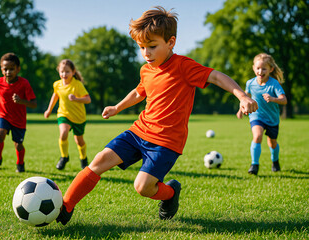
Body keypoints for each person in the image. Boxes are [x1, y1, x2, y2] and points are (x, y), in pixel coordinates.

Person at [55, 6, 258, 225]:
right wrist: (117, 107)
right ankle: (66, 206)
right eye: (141, 47)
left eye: (152, 46)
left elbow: (216, 77)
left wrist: (242, 96)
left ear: (171, 42)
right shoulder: (146, 69)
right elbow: (138, 92)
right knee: (99, 160)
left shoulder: (183, 66)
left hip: (166, 142)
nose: (146, 53)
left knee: (143, 187)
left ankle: (170, 193)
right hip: (138, 131)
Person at [0, 52, 37, 174]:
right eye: (5, 69)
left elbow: (34, 104)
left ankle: (20, 163)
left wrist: (21, 101)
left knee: (18, 144)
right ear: (1, 69)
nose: (8, 72)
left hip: (19, 119)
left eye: (11, 69)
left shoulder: (24, 83)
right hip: (3, 115)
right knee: (0, 135)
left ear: (18, 69)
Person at [237, 53, 287, 175]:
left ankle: (275, 161)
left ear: (271, 69)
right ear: (253, 68)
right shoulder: (250, 83)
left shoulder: (274, 84)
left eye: (264, 68)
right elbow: (245, 97)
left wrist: (273, 99)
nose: (260, 71)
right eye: (258, 68)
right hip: (257, 115)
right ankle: (254, 165)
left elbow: (284, 100)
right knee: (257, 136)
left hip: (272, 118)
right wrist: (240, 109)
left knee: (272, 143)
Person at [44, 59, 91, 170]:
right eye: (62, 71)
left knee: (79, 141)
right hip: (63, 114)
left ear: (73, 72)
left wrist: (76, 99)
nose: (64, 74)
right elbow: (55, 96)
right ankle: (64, 157)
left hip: (78, 117)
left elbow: (88, 99)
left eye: (67, 71)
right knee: (63, 133)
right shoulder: (57, 84)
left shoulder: (77, 85)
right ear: (59, 72)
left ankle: (83, 158)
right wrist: (49, 110)